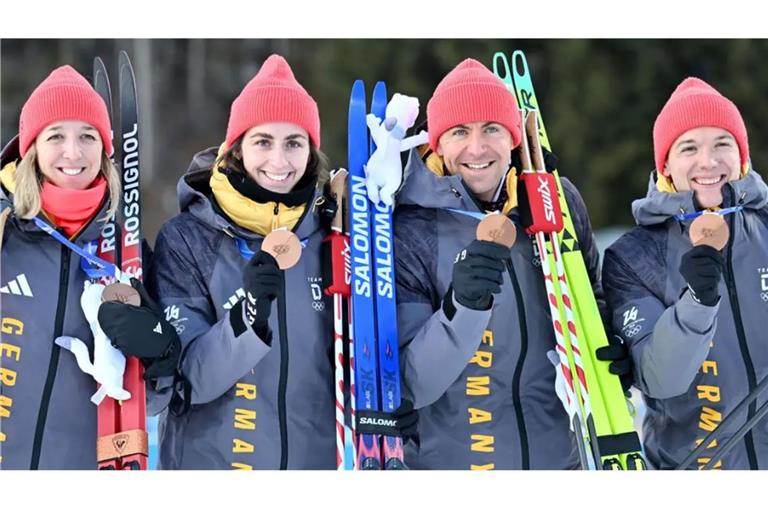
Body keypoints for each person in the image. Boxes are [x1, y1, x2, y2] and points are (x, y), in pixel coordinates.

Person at [135, 54, 414, 470]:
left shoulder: (336, 235)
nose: (279, 161)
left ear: (311, 151)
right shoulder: (188, 239)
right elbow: (187, 382)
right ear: (235, 149)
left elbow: (361, 354)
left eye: (294, 143)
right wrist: (247, 317)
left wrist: (387, 401)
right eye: (263, 141)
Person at [393, 58, 604, 469]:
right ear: (436, 143)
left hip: (561, 463)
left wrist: (613, 350)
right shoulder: (411, 227)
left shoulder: (556, 200)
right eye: (459, 132)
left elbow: (592, 299)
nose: (477, 148)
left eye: (492, 128)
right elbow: (410, 383)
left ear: (512, 137)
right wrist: (461, 309)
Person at [0, 65, 175, 469]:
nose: (73, 153)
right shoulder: (6, 235)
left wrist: (161, 353)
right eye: (56, 136)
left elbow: (158, 399)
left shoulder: (127, 253)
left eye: (87, 136)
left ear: (105, 150)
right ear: (32, 149)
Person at [601, 77, 768, 469]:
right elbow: (661, 379)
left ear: (741, 155)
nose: (708, 162)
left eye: (722, 144)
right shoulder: (634, 257)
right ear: (666, 165)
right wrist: (697, 302)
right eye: (689, 147)